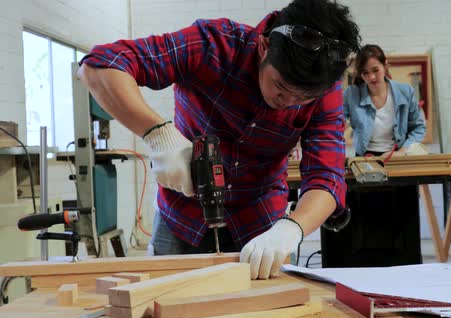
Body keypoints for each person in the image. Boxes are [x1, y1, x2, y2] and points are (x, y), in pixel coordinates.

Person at [77, 0, 360, 280]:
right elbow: (101, 65)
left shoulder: (325, 88)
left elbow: (326, 176)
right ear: (263, 48)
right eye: (281, 87)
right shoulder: (213, 44)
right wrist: (158, 134)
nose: (288, 103)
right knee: (163, 309)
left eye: (304, 98)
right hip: (183, 214)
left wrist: (291, 229)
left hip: (261, 224)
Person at [344, 44, 426, 158]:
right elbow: (336, 123)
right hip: (364, 157)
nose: (371, 77)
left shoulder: (405, 91)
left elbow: (418, 127)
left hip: (397, 155)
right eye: (365, 73)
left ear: (385, 65)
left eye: (375, 70)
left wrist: (402, 151)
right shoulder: (351, 93)